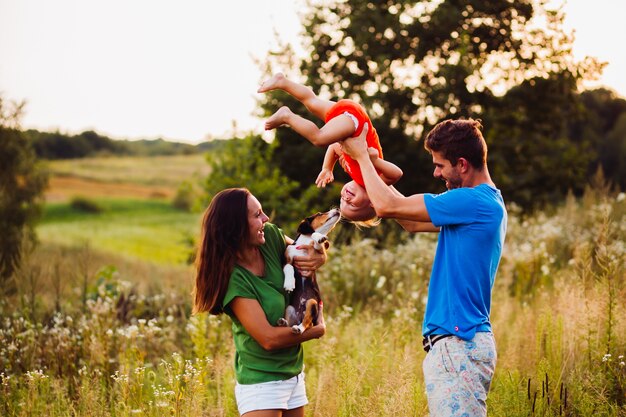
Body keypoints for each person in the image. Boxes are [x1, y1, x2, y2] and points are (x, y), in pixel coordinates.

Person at [342, 119, 507, 417]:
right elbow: (407, 219)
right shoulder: (479, 203)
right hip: (455, 346)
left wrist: (362, 158)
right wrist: (371, 184)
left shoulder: (473, 201)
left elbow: (390, 207)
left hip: (459, 345)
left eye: (440, 165)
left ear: (462, 164)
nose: (435, 173)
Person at [193, 188, 327, 417]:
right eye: (257, 215)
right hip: (262, 383)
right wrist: (317, 330)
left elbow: (305, 250)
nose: (266, 219)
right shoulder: (235, 279)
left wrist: (322, 254)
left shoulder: (271, 238)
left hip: (293, 374)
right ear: (236, 227)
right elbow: (268, 339)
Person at [258, 73, 403, 224]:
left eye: (342, 200)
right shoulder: (374, 180)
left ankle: (283, 82)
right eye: (351, 204)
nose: (345, 198)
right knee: (319, 138)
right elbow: (396, 174)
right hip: (356, 122)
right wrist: (374, 161)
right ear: (372, 202)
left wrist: (328, 168)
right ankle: (287, 116)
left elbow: (334, 146)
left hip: (350, 117)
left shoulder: (353, 170)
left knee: (311, 101)